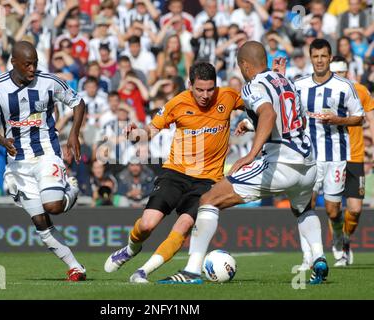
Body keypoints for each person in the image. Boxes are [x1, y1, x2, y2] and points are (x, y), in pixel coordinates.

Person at [160, 41, 329, 285]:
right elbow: (291, 117)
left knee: (208, 200)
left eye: (240, 67)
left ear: (245, 65)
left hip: (281, 162)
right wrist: (251, 124)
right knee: (303, 209)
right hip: (308, 163)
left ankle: (191, 271)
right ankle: (319, 258)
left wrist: (251, 154)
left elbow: (269, 113)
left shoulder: (252, 85)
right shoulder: (285, 80)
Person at [103, 62, 244, 283]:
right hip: (176, 173)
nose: (205, 95)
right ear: (190, 85)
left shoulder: (228, 96)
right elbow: (151, 130)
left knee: (185, 225)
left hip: (207, 181)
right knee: (148, 224)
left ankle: (143, 272)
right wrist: (135, 134)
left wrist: (249, 123)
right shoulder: (177, 103)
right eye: (200, 89)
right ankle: (131, 249)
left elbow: (260, 106)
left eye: (210, 89)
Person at [0, 41, 87, 282]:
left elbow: (78, 102)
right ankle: (75, 267)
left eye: (35, 63)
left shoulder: (49, 82)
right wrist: (1, 140)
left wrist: (73, 133)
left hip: (46, 152)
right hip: (18, 163)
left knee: (54, 207)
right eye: (27, 64)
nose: (32, 68)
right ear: (14, 63)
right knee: (41, 222)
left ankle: (71, 188)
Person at [294, 39, 364, 268]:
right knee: (306, 204)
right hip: (309, 157)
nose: (320, 60)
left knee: (333, 210)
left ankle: (339, 239)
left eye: (324, 56)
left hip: (335, 156)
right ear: (310, 57)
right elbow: (286, 113)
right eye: (316, 56)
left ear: (330, 57)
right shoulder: (300, 85)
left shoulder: (344, 86)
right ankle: (309, 256)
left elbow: (359, 117)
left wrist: (339, 120)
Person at [315, 56, 374, 266]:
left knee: (356, 209)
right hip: (332, 155)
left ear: (347, 72)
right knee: (334, 208)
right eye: (335, 74)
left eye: (342, 73)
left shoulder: (360, 90)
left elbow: (371, 118)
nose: (339, 77)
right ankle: (338, 242)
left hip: (355, 156)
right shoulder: (321, 90)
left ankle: (344, 238)